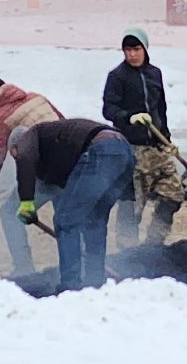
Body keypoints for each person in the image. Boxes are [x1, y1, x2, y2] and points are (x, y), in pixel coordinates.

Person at [8, 118, 135, 292]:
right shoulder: (57, 145)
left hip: (100, 151)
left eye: (14, 155)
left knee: (65, 221)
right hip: (124, 151)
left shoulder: (28, 137)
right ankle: (95, 282)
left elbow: (25, 158)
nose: (17, 158)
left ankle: (70, 286)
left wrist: (27, 202)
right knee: (94, 222)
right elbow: (68, 186)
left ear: (15, 147)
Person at [0, 76, 65, 275]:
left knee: (9, 213)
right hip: (70, 164)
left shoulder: (1, 118)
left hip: (45, 172)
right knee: (65, 218)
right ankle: (75, 264)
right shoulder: (36, 98)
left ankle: (24, 268)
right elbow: (65, 124)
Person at [101, 28, 185, 245]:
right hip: (132, 149)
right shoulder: (117, 76)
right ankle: (127, 250)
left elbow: (161, 108)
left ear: (145, 49)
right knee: (133, 204)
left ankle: (154, 243)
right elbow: (108, 109)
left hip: (157, 147)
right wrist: (129, 117)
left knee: (174, 193)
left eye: (136, 49)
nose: (132, 55)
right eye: (127, 50)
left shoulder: (155, 73)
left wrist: (165, 136)